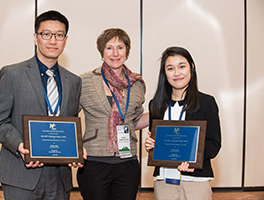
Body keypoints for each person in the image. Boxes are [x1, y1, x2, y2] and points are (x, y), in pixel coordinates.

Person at [0, 10, 81, 200]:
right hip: (21, 174)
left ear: (66, 39)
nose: (53, 41)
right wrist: (20, 146)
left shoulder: (73, 81)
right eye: (46, 34)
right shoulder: (12, 74)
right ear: (35, 38)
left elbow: (71, 123)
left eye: (59, 35)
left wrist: (75, 149)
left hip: (59, 177)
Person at [77, 28, 148, 200]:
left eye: (120, 47)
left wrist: (160, 111)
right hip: (94, 162)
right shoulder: (84, 81)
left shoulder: (137, 84)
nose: (115, 53)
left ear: (127, 51)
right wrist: (75, 146)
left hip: (128, 162)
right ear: (102, 52)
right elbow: (69, 118)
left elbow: (134, 121)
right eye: (109, 48)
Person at [145, 46, 221, 200]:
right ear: (164, 73)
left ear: (191, 68)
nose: (177, 73)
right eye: (170, 68)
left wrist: (193, 160)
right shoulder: (156, 105)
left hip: (195, 180)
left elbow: (214, 143)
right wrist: (151, 145)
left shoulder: (206, 102)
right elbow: (159, 144)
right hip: (163, 181)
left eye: (182, 66)